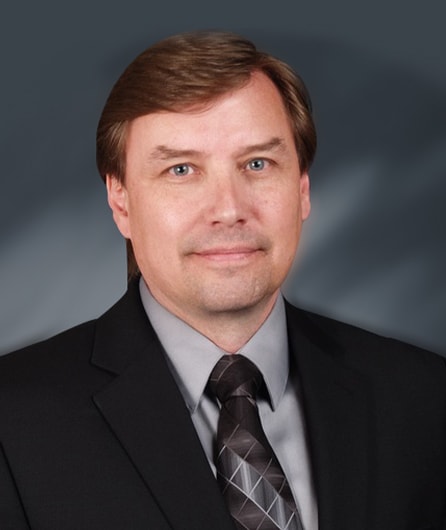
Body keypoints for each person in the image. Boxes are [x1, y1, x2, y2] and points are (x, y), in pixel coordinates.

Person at [0, 31, 445, 530]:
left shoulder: (423, 398)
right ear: (120, 201)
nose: (229, 209)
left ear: (302, 189)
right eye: (181, 169)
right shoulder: (12, 422)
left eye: (257, 163)